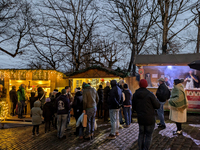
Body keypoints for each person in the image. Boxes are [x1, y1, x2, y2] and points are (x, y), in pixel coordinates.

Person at [132, 79, 160, 150]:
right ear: (146, 85)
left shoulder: (135, 94)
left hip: (140, 118)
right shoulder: (150, 94)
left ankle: (140, 148)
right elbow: (157, 106)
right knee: (148, 135)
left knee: (141, 134)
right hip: (149, 118)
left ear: (139, 85)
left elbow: (134, 107)